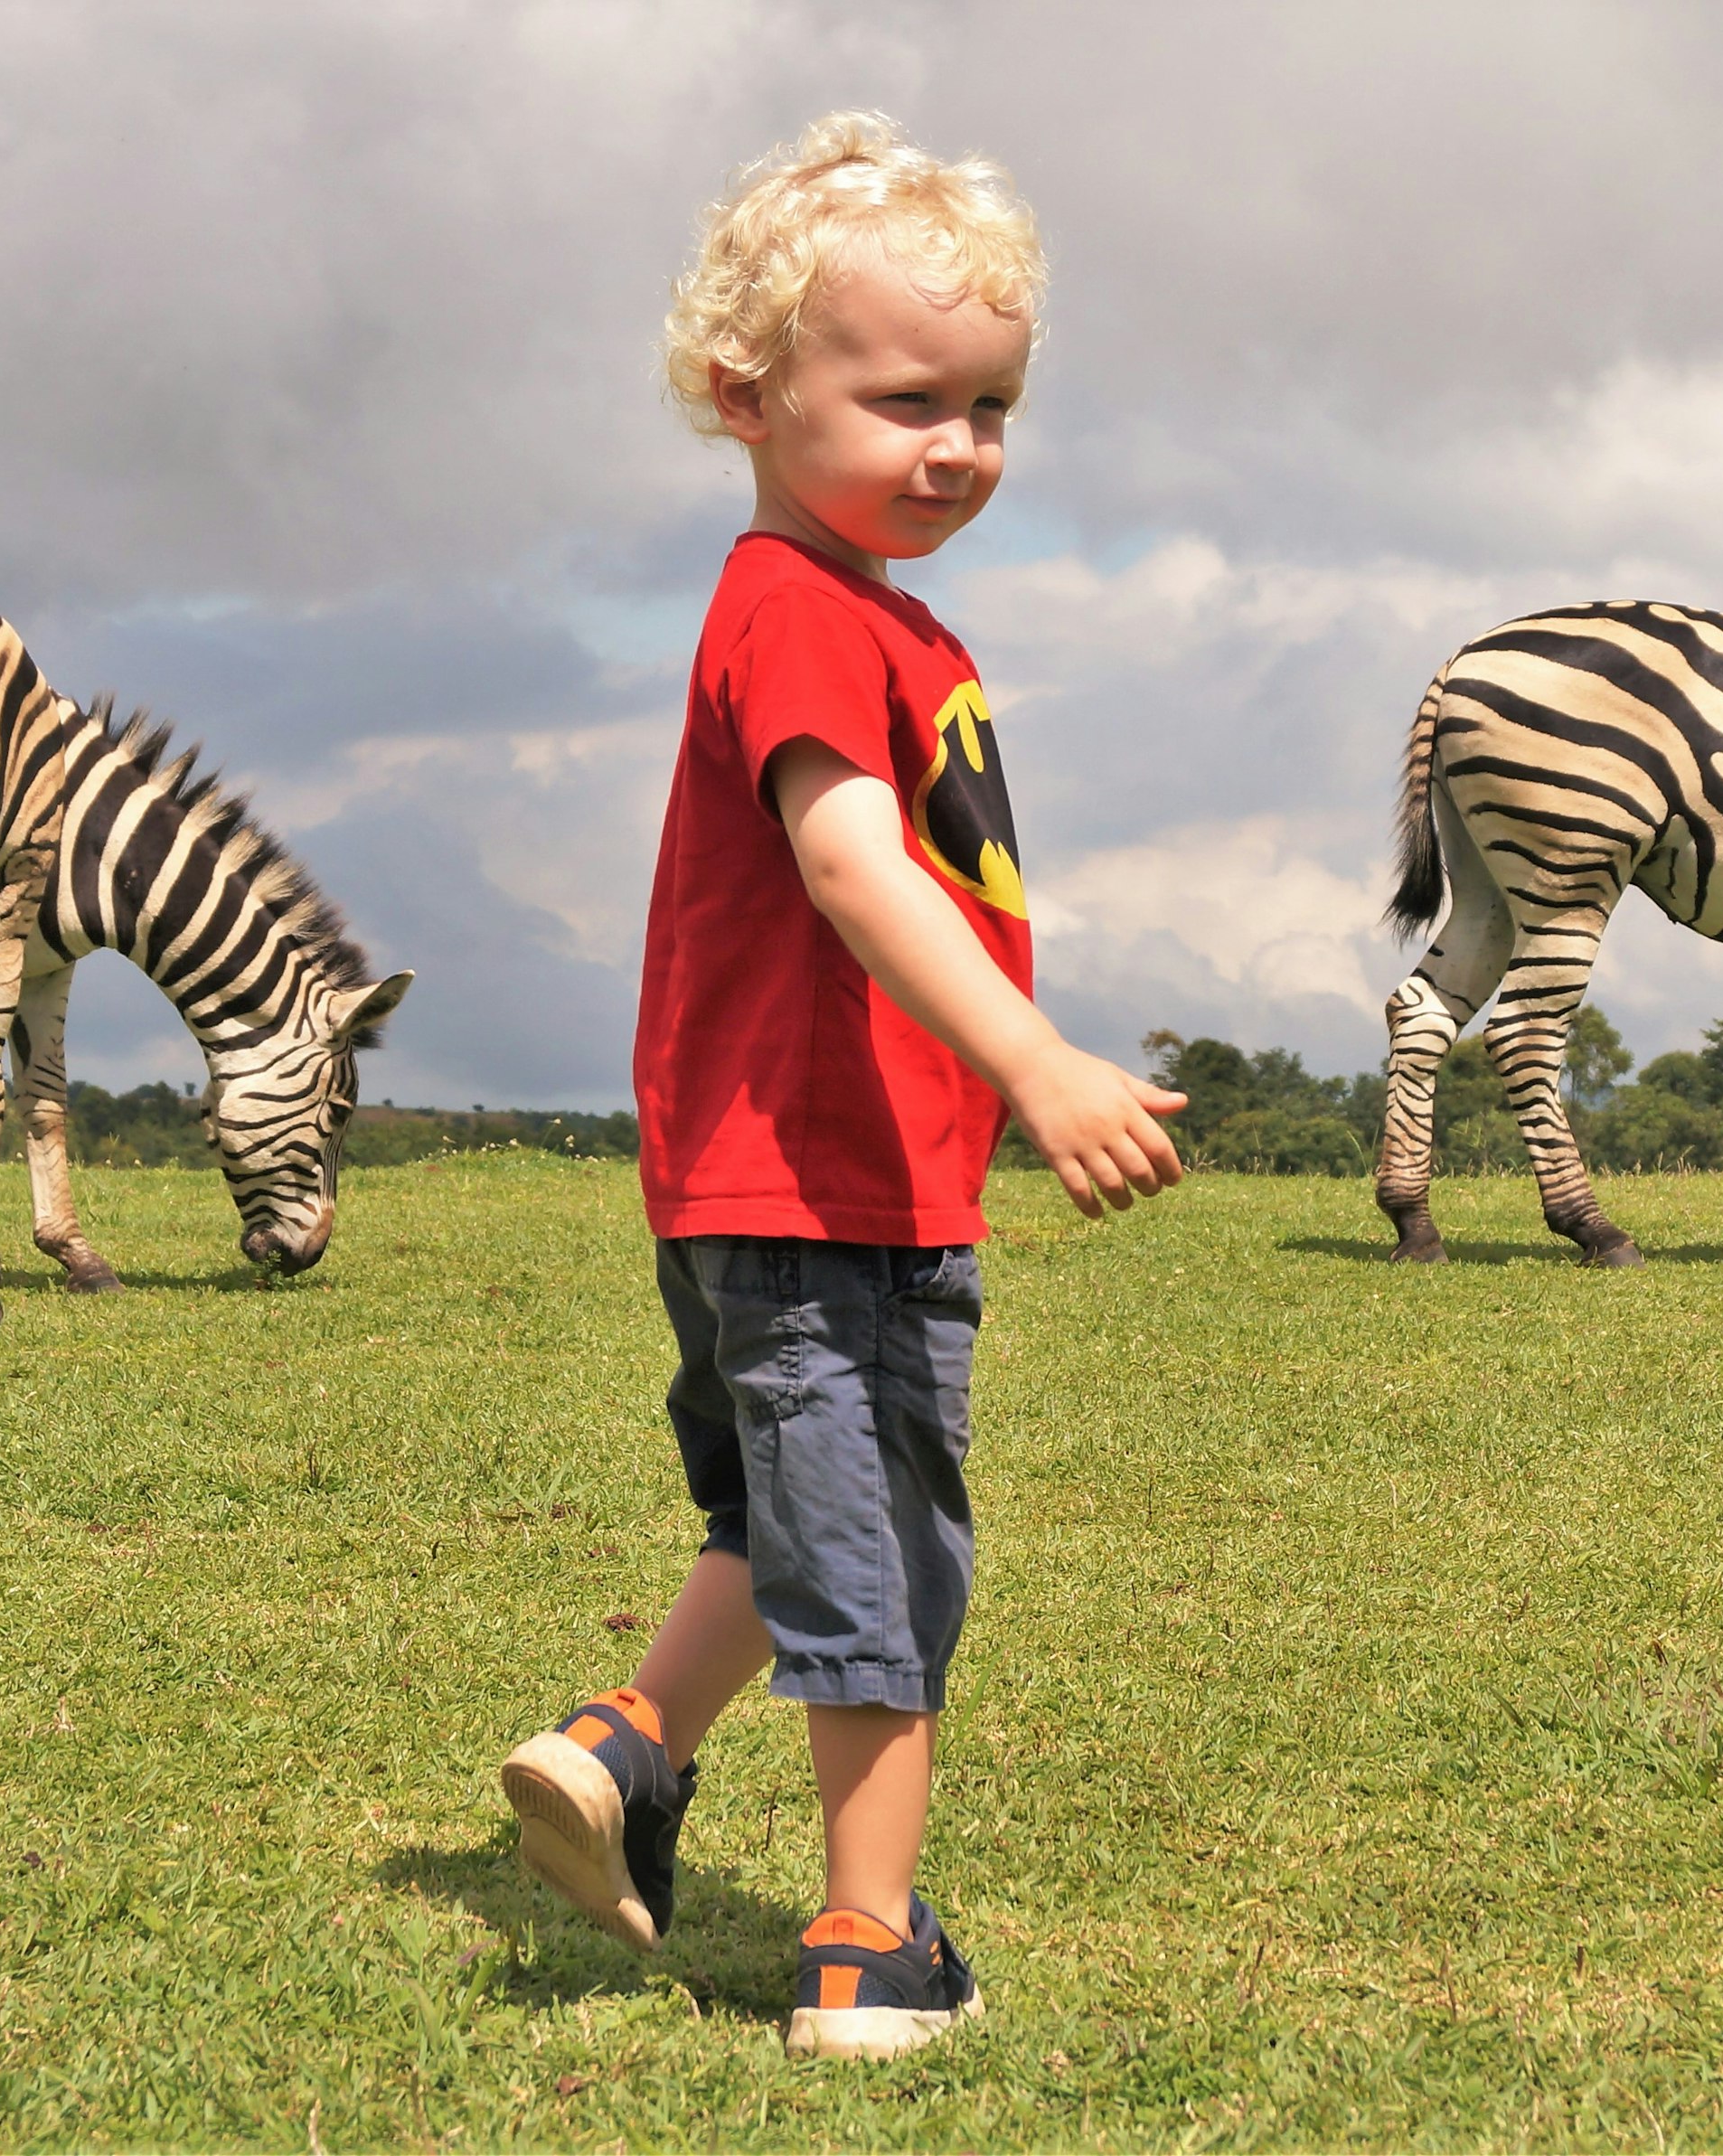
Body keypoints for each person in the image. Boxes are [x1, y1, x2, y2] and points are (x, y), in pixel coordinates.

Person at [497, 110, 1185, 2062]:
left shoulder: (882, 614)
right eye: (906, 400)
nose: (958, 445)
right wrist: (1036, 1062)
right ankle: (868, 1948)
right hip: (831, 1182)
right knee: (880, 1554)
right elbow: (852, 857)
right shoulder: (800, 609)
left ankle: (624, 1746)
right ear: (746, 391)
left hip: (755, 1181)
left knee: (783, 1519)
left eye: (991, 405)